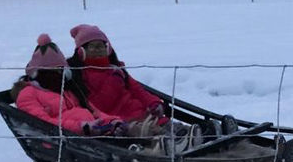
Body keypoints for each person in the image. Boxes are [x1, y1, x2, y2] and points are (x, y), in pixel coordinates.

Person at [66, 24, 204, 149]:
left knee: (166, 124)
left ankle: (192, 137)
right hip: (118, 121)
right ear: (81, 52)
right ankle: (174, 146)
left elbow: (137, 90)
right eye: (94, 47)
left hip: (142, 113)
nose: (99, 50)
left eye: (102, 46)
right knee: (149, 132)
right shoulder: (79, 76)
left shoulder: (116, 70)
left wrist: (153, 103)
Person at [13, 34, 126, 136]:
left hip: (91, 135)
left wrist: (113, 121)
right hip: (62, 142)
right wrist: (82, 127)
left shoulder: (67, 90)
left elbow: (93, 111)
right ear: (37, 72)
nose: (58, 74)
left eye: (61, 70)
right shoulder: (28, 93)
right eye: (52, 70)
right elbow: (42, 122)